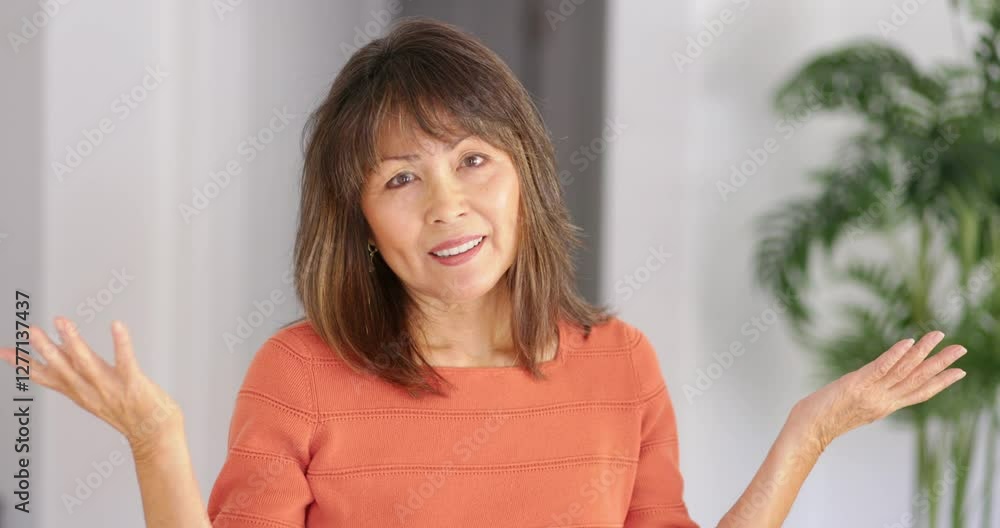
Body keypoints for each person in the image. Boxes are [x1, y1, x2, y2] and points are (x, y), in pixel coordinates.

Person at [0, 16, 970, 528]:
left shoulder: (620, 363)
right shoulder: (298, 375)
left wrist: (808, 435)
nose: (446, 205)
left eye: (473, 160)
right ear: (359, 217)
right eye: (400, 178)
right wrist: (155, 439)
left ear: (524, 176)